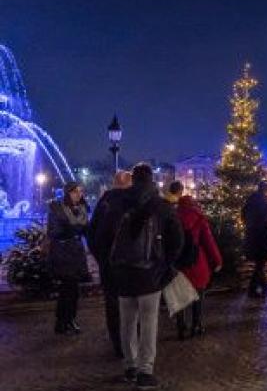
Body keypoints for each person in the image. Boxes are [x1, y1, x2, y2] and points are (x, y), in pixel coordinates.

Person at [110, 163, 184, 389]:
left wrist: (110, 265)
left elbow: (101, 236)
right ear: (152, 180)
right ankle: (145, 371)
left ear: (133, 179)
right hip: (150, 274)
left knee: (127, 322)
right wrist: (166, 263)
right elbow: (178, 239)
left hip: (123, 273)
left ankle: (129, 365)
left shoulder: (116, 203)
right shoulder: (161, 206)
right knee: (149, 323)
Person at [87, 170, 132, 357]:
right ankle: (132, 344)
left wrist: (102, 259)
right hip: (132, 266)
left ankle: (118, 346)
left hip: (109, 265)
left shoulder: (104, 203)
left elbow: (91, 235)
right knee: (132, 305)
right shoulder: (134, 203)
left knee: (113, 306)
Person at [170, 181, 222, 340]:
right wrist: (217, 260)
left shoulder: (172, 216)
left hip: (178, 261)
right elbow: (209, 241)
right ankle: (196, 325)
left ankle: (181, 328)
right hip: (196, 261)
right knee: (198, 295)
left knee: (179, 296)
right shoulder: (199, 217)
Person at [47, 181, 90, 335]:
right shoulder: (57, 208)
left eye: (80, 191)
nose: (79, 194)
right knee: (67, 288)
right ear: (67, 193)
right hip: (63, 253)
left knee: (73, 289)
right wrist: (73, 229)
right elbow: (53, 231)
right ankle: (63, 321)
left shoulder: (82, 209)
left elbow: (86, 230)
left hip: (76, 253)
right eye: (75, 192)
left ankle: (69, 320)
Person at [242, 181, 267, 298]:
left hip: (251, 236)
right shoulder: (266, 204)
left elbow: (243, 216)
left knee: (259, 264)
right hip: (262, 238)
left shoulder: (250, 201)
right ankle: (255, 289)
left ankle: (260, 288)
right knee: (260, 264)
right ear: (266, 191)